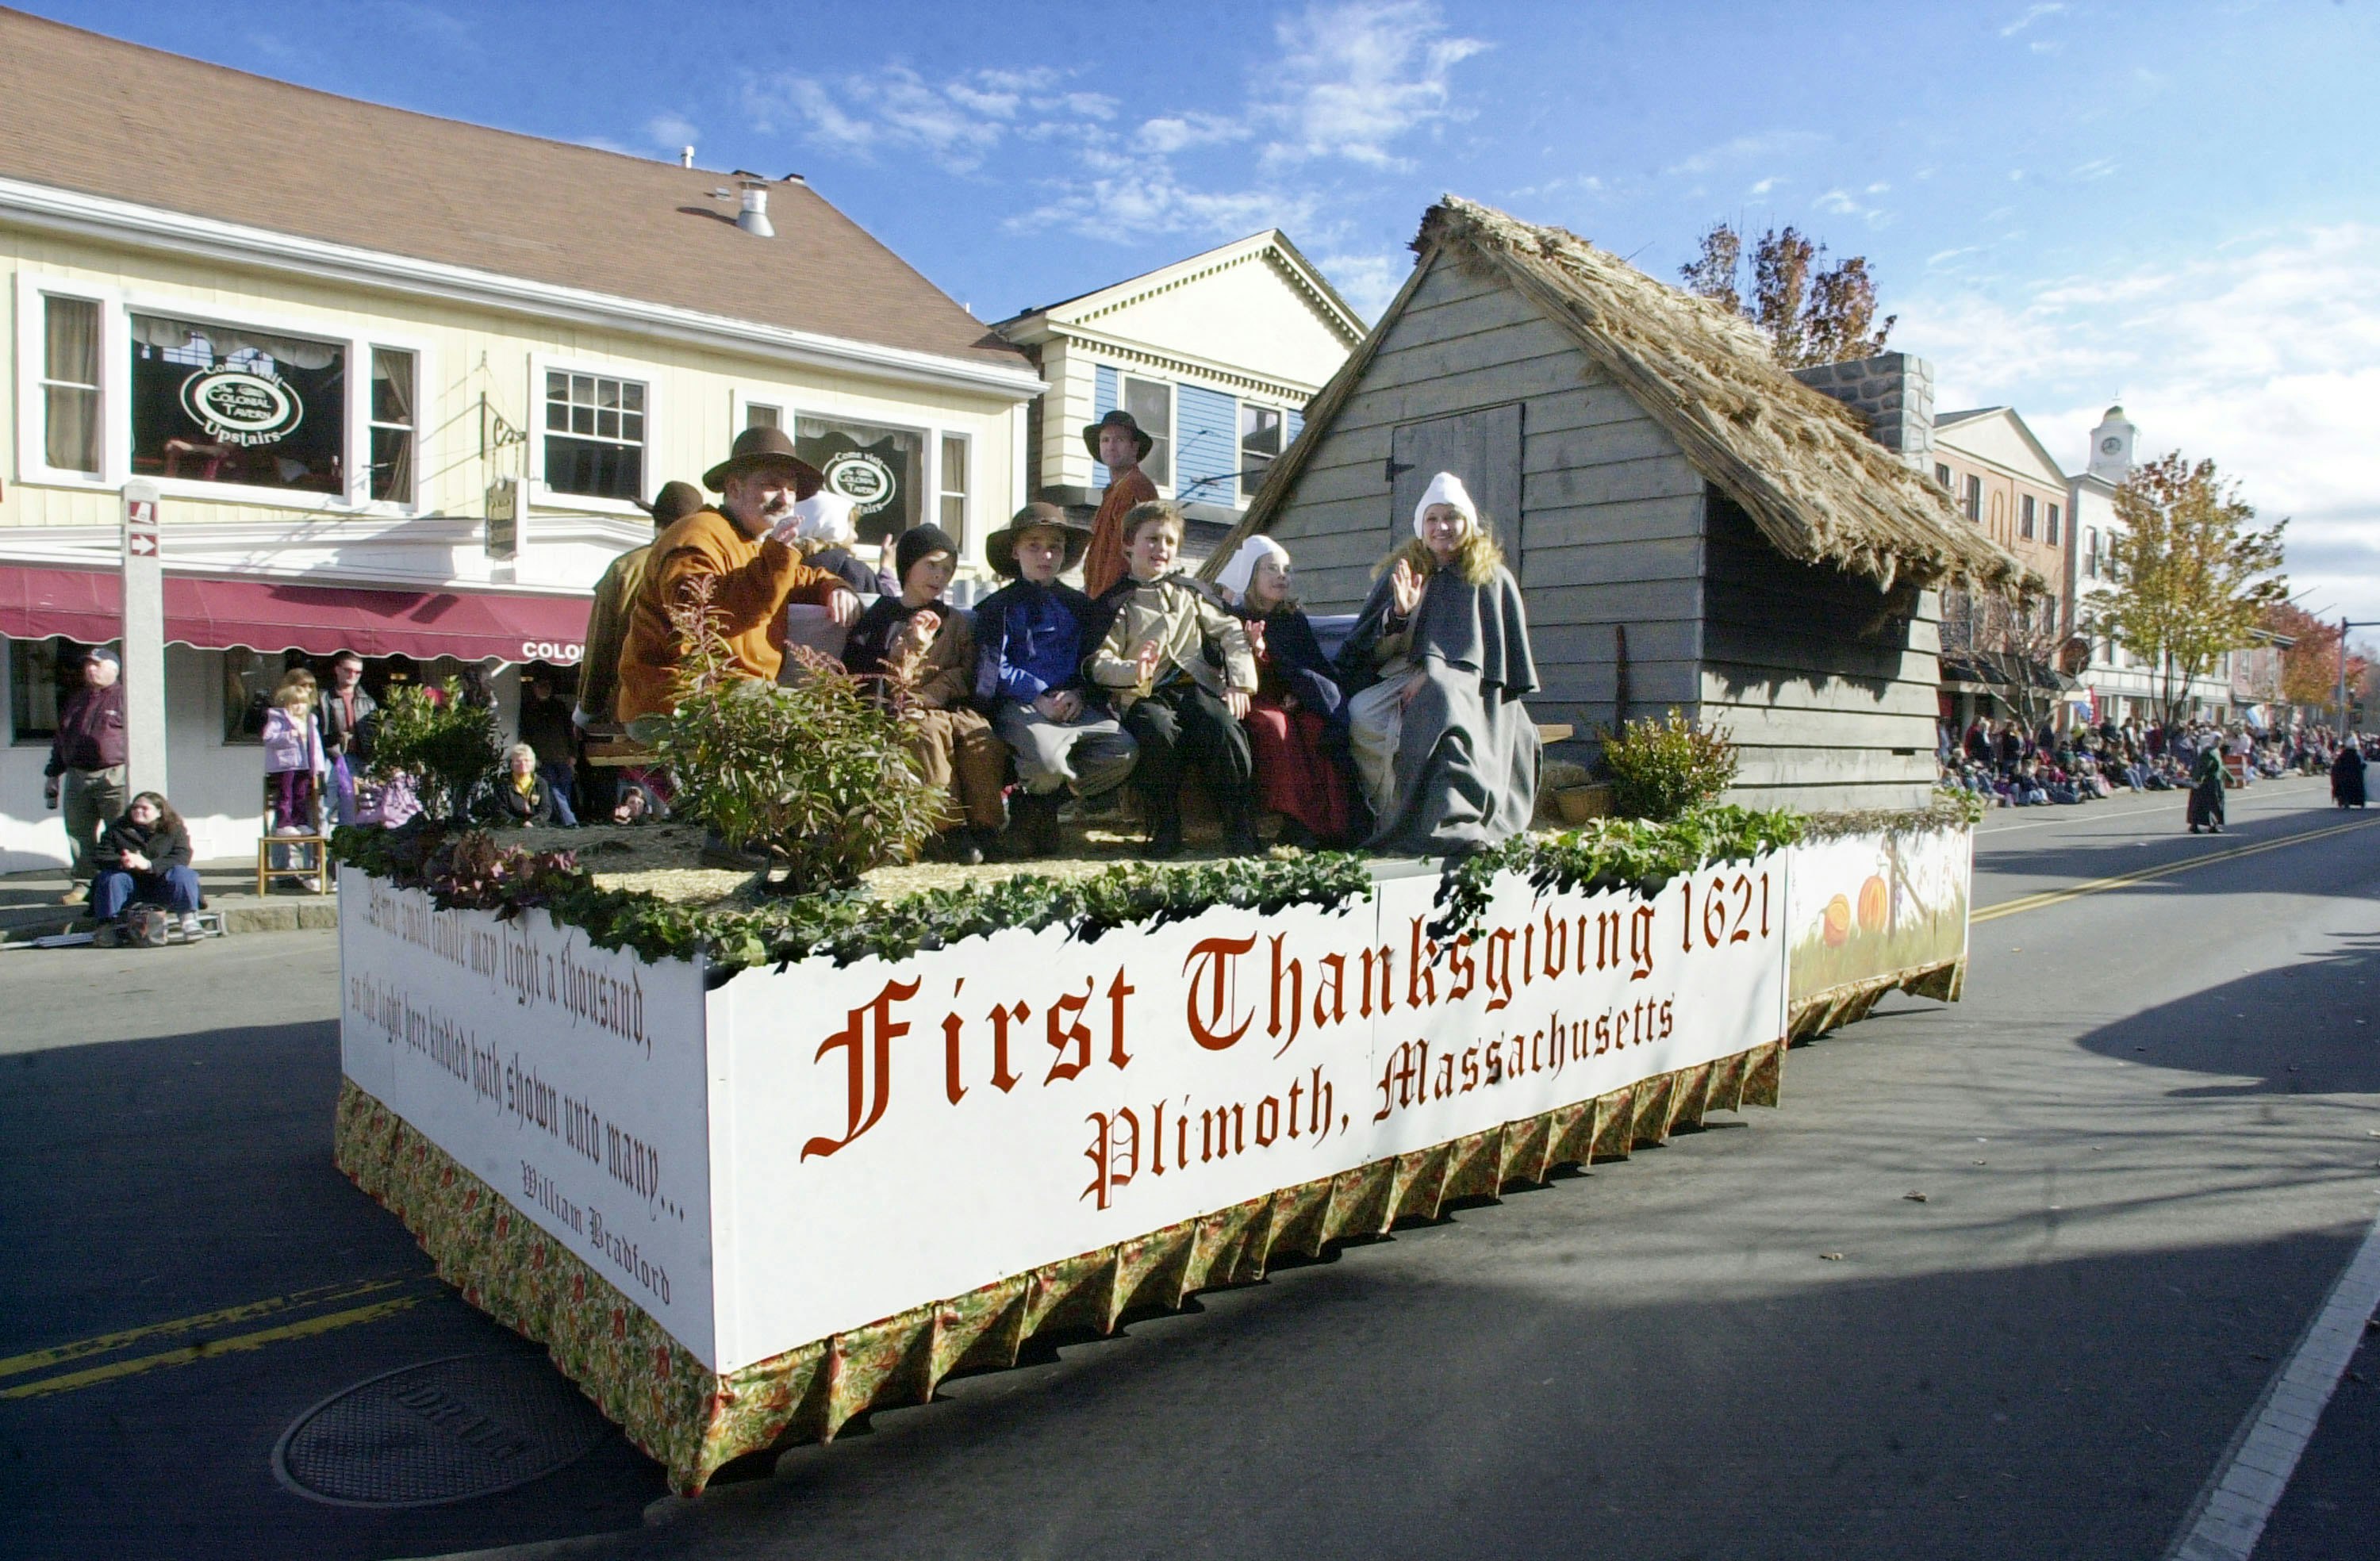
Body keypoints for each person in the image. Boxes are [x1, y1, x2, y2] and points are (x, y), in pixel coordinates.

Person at [1335, 472, 1541, 857]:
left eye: (1451, 517)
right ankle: (1391, 814)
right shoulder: (1404, 570)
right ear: (1421, 526)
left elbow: (1492, 656)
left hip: (1472, 684)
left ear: (1467, 523)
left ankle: (1454, 819)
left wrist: (1434, 675)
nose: (1442, 527)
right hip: (1402, 675)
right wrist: (1398, 613)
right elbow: (1368, 654)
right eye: (1432, 519)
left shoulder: (1490, 577)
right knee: (1362, 714)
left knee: (1443, 704)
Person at [615, 426, 862, 734]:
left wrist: (835, 587)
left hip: (731, 697)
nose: (785, 498)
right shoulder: (697, 535)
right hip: (678, 702)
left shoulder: (752, 543)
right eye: (772, 485)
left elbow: (801, 577)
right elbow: (708, 616)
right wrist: (777, 556)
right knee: (803, 729)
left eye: (792, 488)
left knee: (816, 723)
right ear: (734, 488)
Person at [1087, 501, 1259, 857]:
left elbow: (1231, 633)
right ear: (1128, 546)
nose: (1160, 549)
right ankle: (1164, 825)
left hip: (1195, 687)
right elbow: (1098, 661)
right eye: (1151, 539)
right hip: (1145, 694)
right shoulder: (1118, 603)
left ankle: (1238, 824)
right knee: (1158, 731)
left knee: (1223, 726)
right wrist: (1133, 670)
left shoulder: (1192, 594)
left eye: (1168, 541)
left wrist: (1240, 682)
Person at [973, 503, 1139, 857]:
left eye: (1055, 546)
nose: (1045, 555)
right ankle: (1035, 811)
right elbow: (993, 666)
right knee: (1047, 762)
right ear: (1015, 551)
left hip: (1074, 704)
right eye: (1034, 545)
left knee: (1122, 750)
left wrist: (1080, 692)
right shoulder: (997, 607)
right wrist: (1037, 696)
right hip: (1023, 706)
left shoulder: (1080, 605)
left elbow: (1092, 659)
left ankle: (1038, 807)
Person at [843, 524, 1008, 865]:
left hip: (949, 705)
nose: (940, 576)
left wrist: (936, 693)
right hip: (901, 708)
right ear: (908, 565)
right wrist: (912, 648)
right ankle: (946, 829)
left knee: (980, 738)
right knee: (928, 734)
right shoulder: (882, 617)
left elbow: (966, 669)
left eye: (947, 569)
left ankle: (986, 825)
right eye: (932, 565)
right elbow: (870, 673)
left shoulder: (957, 622)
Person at [1214, 535, 1353, 846]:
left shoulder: (1292, 619)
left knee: (1318, 725)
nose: (1281, 576)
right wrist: (1254, 650)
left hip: (1290, 698)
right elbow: (1230, 670)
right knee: (1276, 727)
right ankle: (1297, 819)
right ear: (1251, 575)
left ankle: (1332, 824)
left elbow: (1309, 666)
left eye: (1286, 570)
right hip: (1251, 698)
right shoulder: (1234, 617)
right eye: (1271, 569)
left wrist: (1300, 692)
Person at [41, 645, 127, 904]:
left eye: (96, 665)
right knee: (79, 833)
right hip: (78, 775)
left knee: (120, 832)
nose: (90, 669)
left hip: (115, 775)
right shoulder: (77, 699)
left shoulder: (125, 697)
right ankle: (84, 883)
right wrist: (53, 774)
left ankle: (120, 882)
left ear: (113, 669)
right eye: (88, 665)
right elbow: (61, 738)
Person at [90, 791, 203, 934]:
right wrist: (124, 861)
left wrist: (149, 865)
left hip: (162, 885)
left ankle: (189, 919)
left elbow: (182, 856)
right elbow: (100, 855)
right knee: (111, 878)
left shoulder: (174, 829)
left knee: (183, 874)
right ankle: (107, 926)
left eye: (144, 808)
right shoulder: (117, 828)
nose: (138, 811)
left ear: (159, 812)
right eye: (135, 807)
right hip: (130, 885)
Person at [1080, 409, 1161, 599]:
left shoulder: (1136, 487)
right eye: (1105, 440)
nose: (1111, 446)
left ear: (1134, 447)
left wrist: (1114, 599)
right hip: (1101, 596)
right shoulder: (1113, 491)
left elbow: (1130, 553)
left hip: (1121, 598)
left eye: (1119, 440)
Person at [779, 490, 885, 597]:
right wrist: (887, 570)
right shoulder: (853, 571)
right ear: (835, 527)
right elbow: (888, 608)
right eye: (852, 528)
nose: (856, 536)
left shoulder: (777, 565)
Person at [262, 669, 327, 832]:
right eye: (303, 685)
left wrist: (318, 767)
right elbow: (268, 738)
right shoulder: (278, 717)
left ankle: (300, 822)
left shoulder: (311, 719)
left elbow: (316, 746)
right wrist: (289, 736)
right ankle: (284, 823)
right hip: (286, 764)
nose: (308, 689)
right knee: (285, 795)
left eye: (311, 686)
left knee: (301, 794)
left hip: (304, 764)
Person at [320, 651, 378, 826]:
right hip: (330, 756)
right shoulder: (323, 697)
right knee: (326, 806)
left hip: (360, 758)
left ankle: (351, 849)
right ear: (337, 670)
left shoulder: (367, 700)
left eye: (357, 672)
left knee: (359, 806)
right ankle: (322, 852)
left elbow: (374, 731)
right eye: (348, 670)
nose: (353, 675)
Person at [516, 671, 580, 826]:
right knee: (552, 789)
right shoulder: (528, 709)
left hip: (562, 757)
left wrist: (573, 754)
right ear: (534, 688)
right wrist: (531, 758)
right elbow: (524, 736)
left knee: (564, 790)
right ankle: (569, 821)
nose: (544, 689)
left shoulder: (559, 707)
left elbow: (569, 732)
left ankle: (563, 819)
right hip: (542, 759)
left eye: (547, 686)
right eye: (541, 686)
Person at [493, 743, 557, 827]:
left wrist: (532, 823)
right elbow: (500, 810)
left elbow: (545, 810)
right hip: (510, 828)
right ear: (511, 764)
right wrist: (519, 824)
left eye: (527, 760)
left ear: (532, 763)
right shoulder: (503, 783)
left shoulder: (541, 783)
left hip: (536, 828)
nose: (523, 764)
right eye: (518, 761)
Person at [2186, 746, 2228, 834]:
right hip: (2207, 784)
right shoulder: (2208, 754)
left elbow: (2221, 768)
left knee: (2214, 805)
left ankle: (2213, 825)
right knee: (2204, 804)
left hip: (2214, 783)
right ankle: (2195, 826)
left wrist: (2230, 778)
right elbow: (2203, 768)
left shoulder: (2216, 752)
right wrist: (2198, 779)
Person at [2333, 739, 2368, 809]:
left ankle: (2346, 801)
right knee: (2357, 788)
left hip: (2345, 777)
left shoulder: (2343, 755)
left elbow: (2337, 766)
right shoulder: (2357, 755)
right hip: (2356, 777)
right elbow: (2363, 765)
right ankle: (2360, 802)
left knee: (2345, 789)